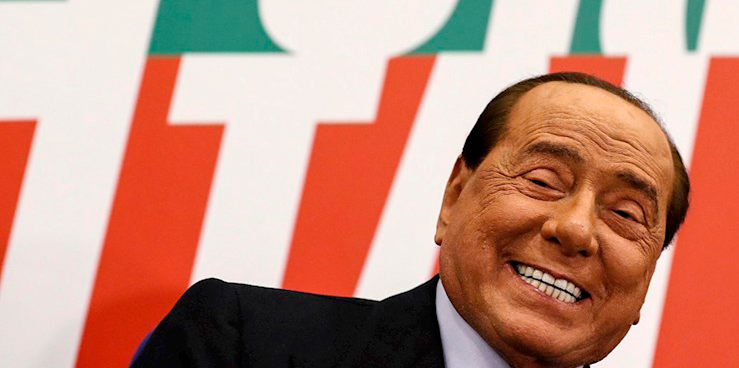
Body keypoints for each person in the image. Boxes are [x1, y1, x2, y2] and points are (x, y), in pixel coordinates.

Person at [132, 72, 690, 368]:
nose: (576, 229)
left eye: (625, 214)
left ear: (646, 281)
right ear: (454, 196)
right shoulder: (246, 344)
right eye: (543, 181)